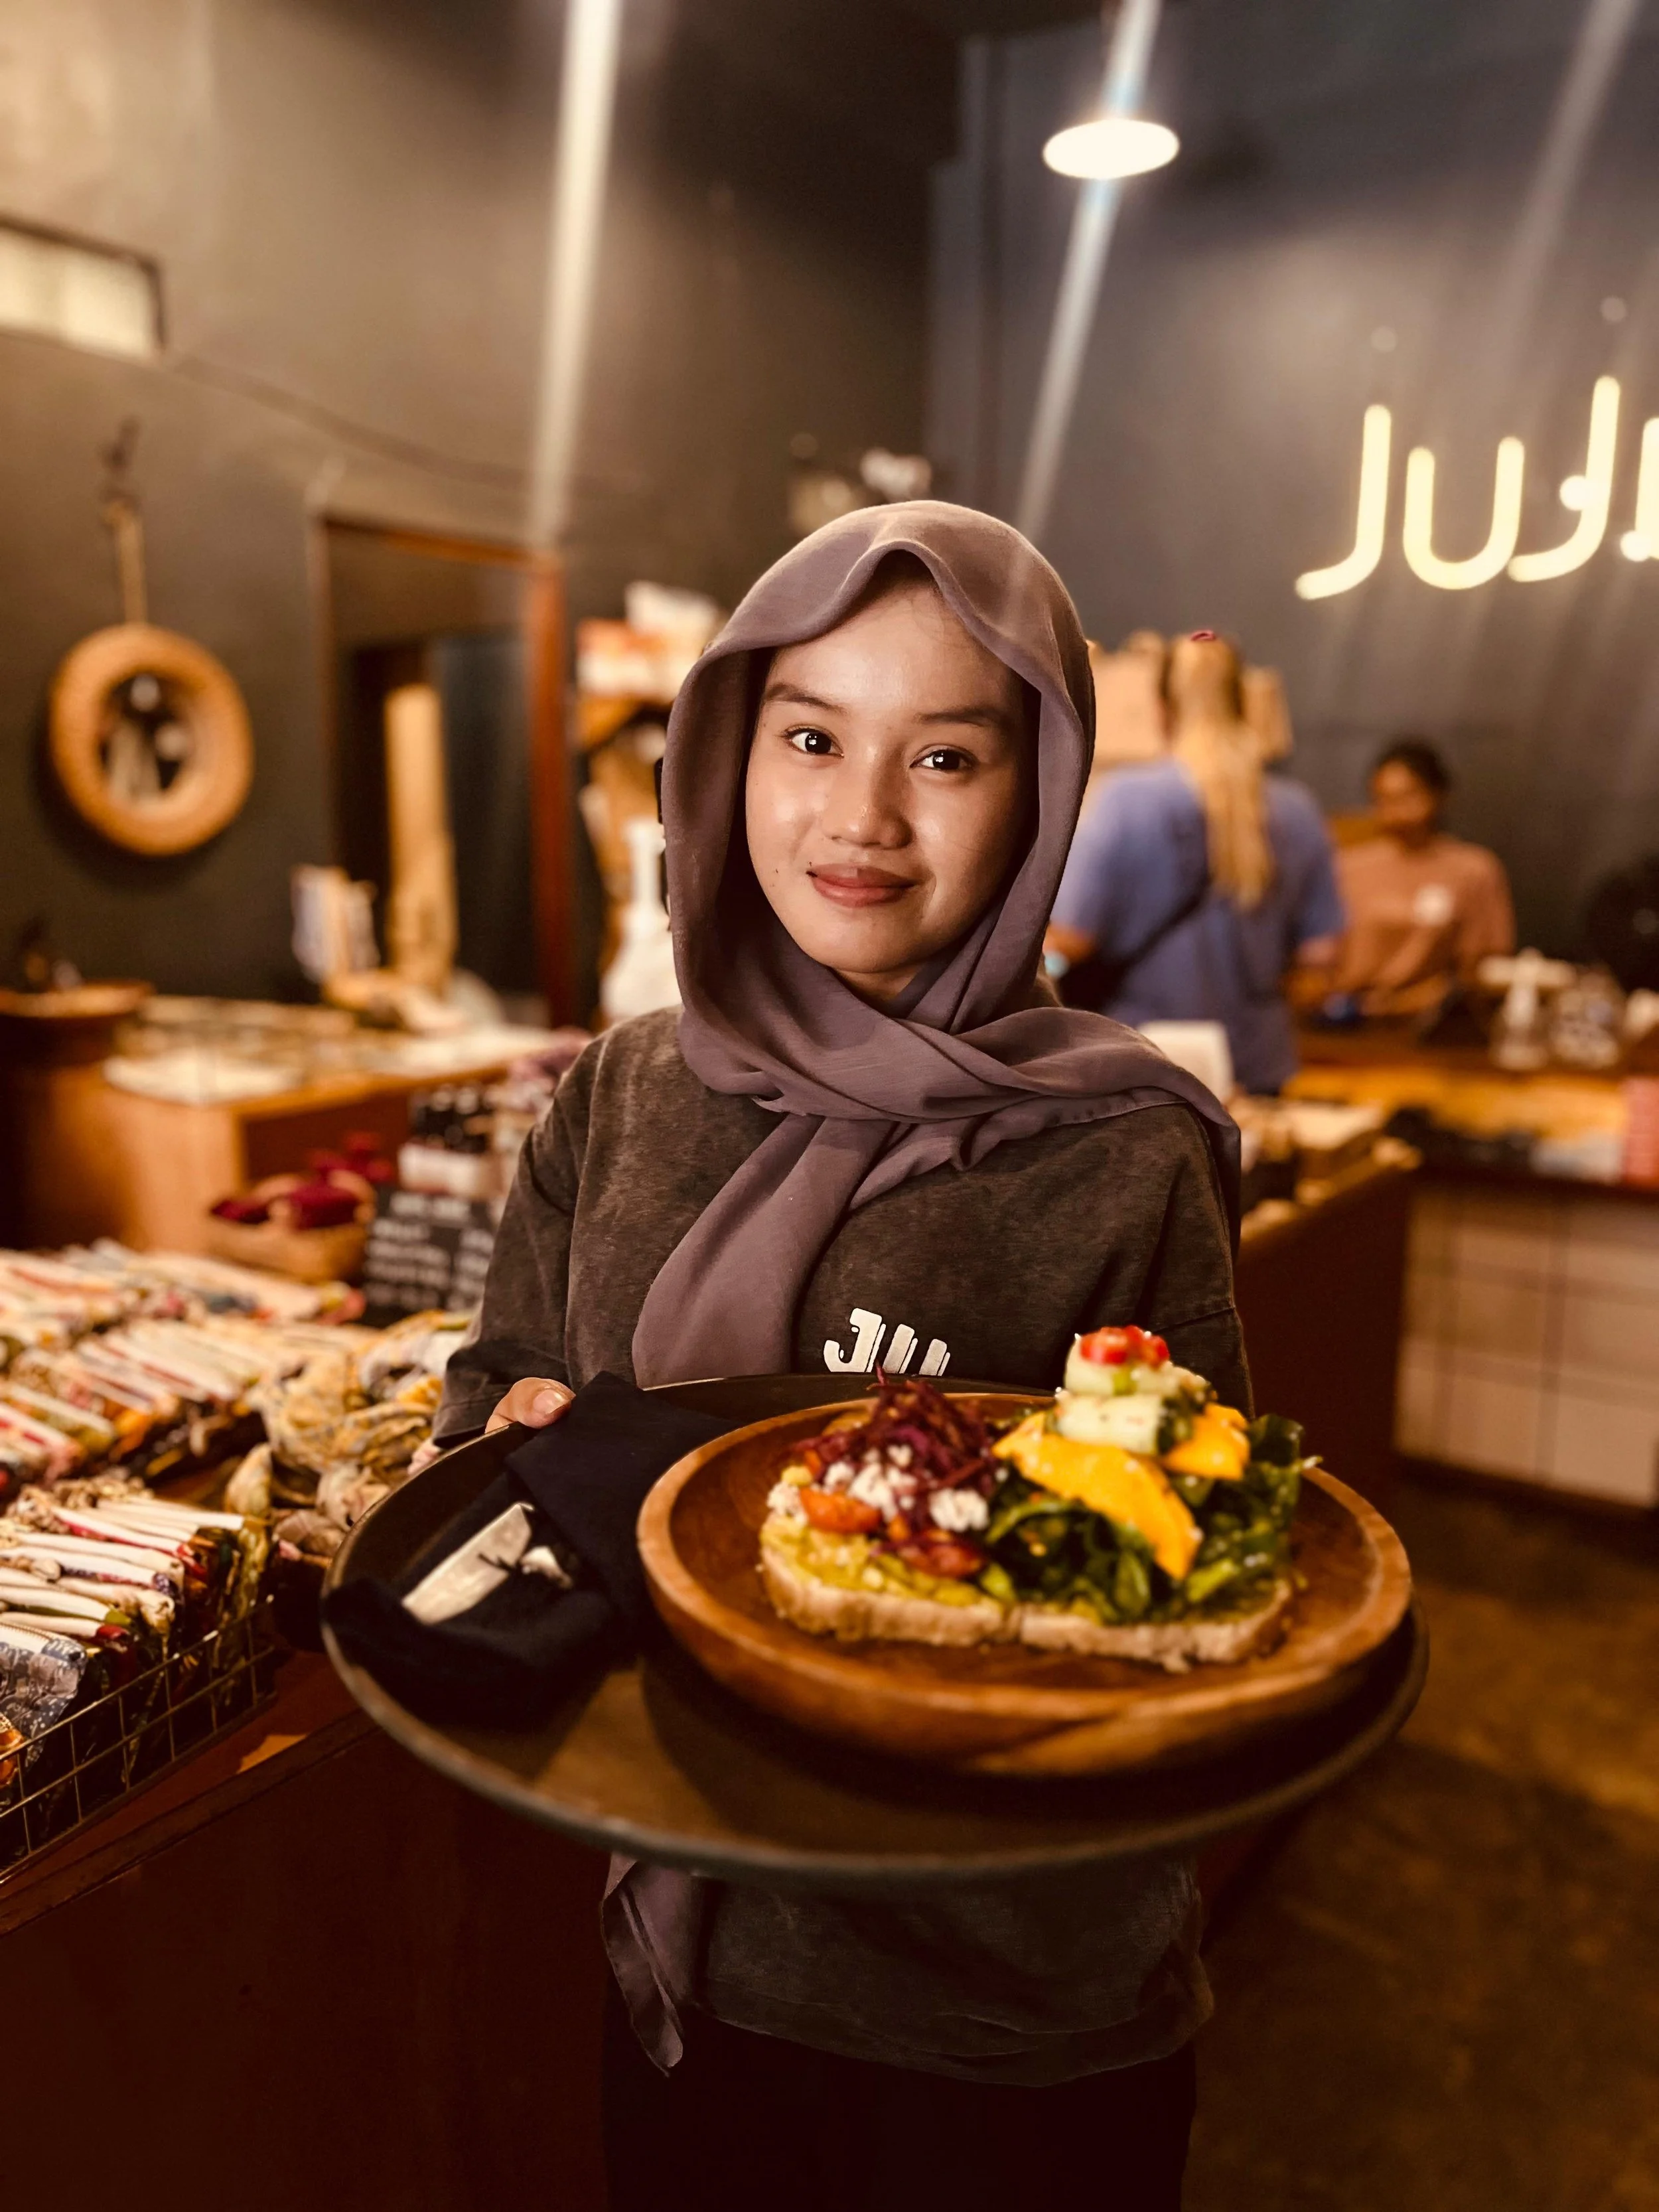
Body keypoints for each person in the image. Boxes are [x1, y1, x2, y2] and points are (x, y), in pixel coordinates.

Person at [435, 504, 1248, 2212]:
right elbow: (503, 1360)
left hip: (1010, 2001)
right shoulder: (628, 1091)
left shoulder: (1119, 1150)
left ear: (1039, 796)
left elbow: (1197, 1564)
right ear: (729, 752)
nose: (861, 816)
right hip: (692, 1951)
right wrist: (501, 1422)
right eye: (809, 736)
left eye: (945, 756)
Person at [1045, 631, 1343, 1096]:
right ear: (1243, 705)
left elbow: (1071, 940)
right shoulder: (1296, 809)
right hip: (1259, 1065)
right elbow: (1321, 958)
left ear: (1161, 708)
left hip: (1145, 1067)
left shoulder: (1127, 798)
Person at [1328, 737, 1515, 1015]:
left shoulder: (1473, 870)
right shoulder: (1347, 866)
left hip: (1432, 1021)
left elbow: (1483, 964)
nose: (1396, 812)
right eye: (1384, 799)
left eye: (1408, 797)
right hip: (1348, 1016)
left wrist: (1422, 998)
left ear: (1438, 795)